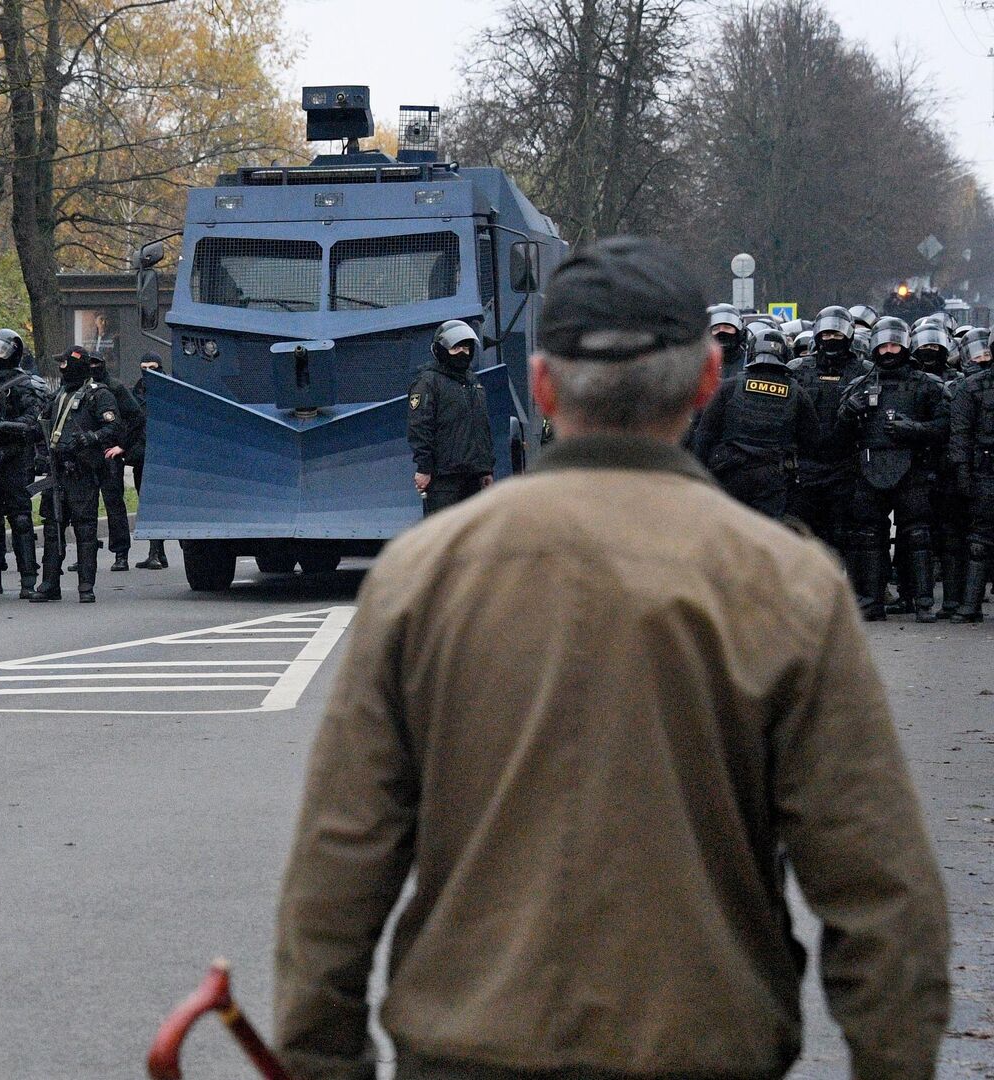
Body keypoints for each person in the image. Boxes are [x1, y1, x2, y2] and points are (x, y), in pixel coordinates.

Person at [273, 235, 950, 1080]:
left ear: (542, 386)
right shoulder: (787, 584)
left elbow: (340, 860)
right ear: (707, 381)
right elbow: (880, 885)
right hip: (701, 1045)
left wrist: (321, 1062)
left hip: (467, 1044)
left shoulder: (424, 575)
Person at [843, 322, 950, 621]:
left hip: (912, 468)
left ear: (905, 346)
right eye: (883, 346)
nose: (889, 351)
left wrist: (914, 429)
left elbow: (945, 427)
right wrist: (848, 412)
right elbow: (840, 435)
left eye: (894, 345)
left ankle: (923, 601)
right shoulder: (860, 384)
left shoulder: (927, 385)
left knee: (917, 535)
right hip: (869, 467)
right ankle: (872, 601)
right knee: (869, 536)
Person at [690, 323, 821, 519]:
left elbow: (704, 435)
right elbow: (812, 442)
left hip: (729, 474)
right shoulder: (797, 393)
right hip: (773, 478)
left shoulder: (729, 387)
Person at [31, 346, 122, 602]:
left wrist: (90, 438)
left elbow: (114, 427)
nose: (61, 369)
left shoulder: (98, 395)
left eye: (65, 364)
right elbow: (42, 425)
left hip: (82, 471)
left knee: (85, 529)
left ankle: (86, 586)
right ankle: (50, 583)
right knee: (52, 527)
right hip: (57, 470)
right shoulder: (59, 395)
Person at [788, 305, 870, 546]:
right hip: (806, 466)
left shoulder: (864, 371)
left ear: (849, 336)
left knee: (842, 536)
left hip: (846, 466)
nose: (831, 339)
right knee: (803, 535)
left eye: (837, 334)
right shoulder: (798, 369)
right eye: (826, 334)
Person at [0, 328, 46, 597]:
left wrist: (1, 425)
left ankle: (28, 580)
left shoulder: (25, 384)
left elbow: (34, 424)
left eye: (0, 352)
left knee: (20, 519)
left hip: (16, 458)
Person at [406, 320, 495, 516]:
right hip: (443, 480)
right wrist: (424, 468)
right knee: (443, 531)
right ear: (441, 350)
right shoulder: (428, 382)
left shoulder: (473, 383)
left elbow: (481, 427)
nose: (462, 353)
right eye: (455, 348)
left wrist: (485, 469)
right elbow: (419, 427)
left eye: (466, 348)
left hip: (473, 477)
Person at [951, 327, 994, 622]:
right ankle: (970, 604)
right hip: (985, 469)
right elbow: (961, 434)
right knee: (979, 541)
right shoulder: (972, 387)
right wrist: (962, 470)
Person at [88, 353, 141, 572]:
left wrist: (123, 446)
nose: (92, 367)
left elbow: (136, 417)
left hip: (109, 453)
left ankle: (121, 553)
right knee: (85, 506)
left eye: (96, 364)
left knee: (114, 504)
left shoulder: (115, 388)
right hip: (86, 452)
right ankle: (86, 553)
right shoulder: (81, 388)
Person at [132, 353, 167, 569]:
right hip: (142, 455)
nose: (147, 372)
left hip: (161, 456)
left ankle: (155, 552)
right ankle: (158, 553)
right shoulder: (137, 391)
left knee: (155, 504)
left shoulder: (169, 391)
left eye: (152, 368)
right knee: (145, 501)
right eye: (144, 368)